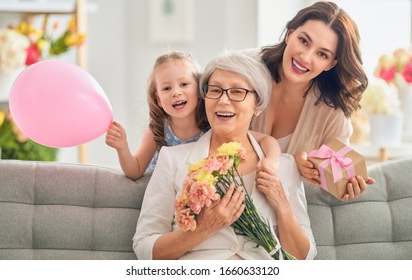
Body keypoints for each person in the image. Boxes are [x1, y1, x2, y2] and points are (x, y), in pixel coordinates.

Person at [133, 51, 316, 260]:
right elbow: (144, 248)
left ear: (257, 105)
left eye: (237, 92)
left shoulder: (285, 166)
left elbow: (304, 258)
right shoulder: (172, 160)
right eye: (215, 91)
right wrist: (202, 229)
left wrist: (282, 205)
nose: (223, 101)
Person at [250, 1, 375, 200]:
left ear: (330, 64)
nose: (306, 57)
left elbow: (329, 182)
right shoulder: (244, 70)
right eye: (304, 41)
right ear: (290, 33)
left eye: (322, 54)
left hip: (278, 214)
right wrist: (293, 162)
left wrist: (344, 186)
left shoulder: (332, 113)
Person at [106, 51, 281, 180]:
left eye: (184, 84)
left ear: (199, 91)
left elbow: (266, 140)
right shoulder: (159, 130)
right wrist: (122, 147)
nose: (176, 92)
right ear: (158, 99)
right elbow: (135, 170)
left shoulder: (212, 125)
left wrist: (271, 161)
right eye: (167, 88)